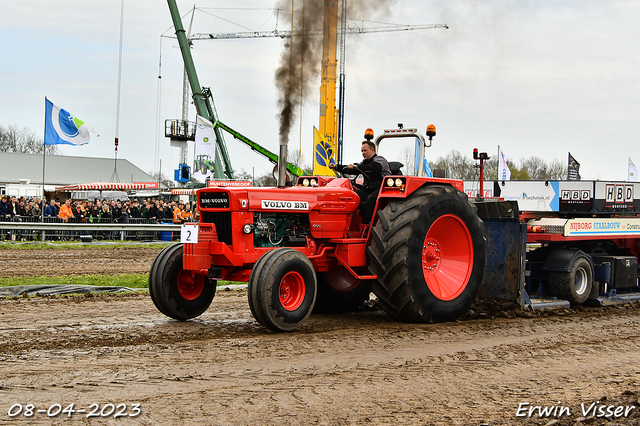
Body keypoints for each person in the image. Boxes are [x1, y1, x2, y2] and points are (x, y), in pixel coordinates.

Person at [329, 140, 391, 224]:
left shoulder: (380, 160)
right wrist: (336, 167)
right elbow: (353, 169)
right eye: (362, 151)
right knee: (353, 197)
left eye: (365, 150)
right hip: (368, 188)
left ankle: (368, 224)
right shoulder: (364, 163)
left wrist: (357, 167)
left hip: (381, 188)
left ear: (372, 150)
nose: (363, 153)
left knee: (371, 198)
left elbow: (375, 168)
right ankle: (348, 223)